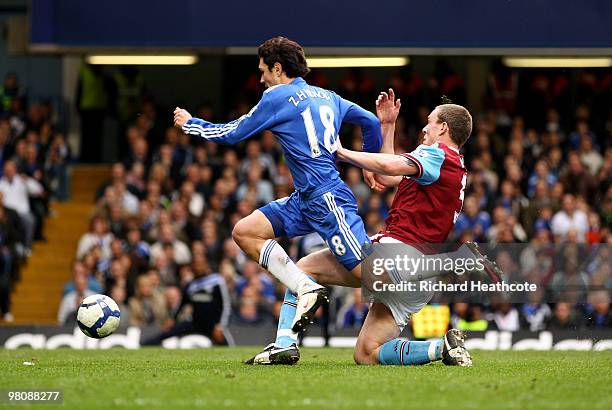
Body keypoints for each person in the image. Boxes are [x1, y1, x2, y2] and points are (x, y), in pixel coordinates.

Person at [249, 91, 495, 366]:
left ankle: (284, 343)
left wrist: (342, 152)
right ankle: (443, 348)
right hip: (418, 276)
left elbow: (388, 166)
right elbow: (389, 175)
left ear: (443, 128)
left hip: (398, 255)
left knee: (304, 271)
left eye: (430, 122)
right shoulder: (452, 166)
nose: (425, 128)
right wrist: (388, 127)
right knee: (367, 353)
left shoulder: (438, 153)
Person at [173, 36, 382, 350]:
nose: (260, 79)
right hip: (305, 199)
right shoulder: (329, 96)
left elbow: (232, 133)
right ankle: (301, 299)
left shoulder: (278, 96)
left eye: (263, 71)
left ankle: (429, 294)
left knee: (373, 277)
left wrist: (191, 124)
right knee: (245, 232)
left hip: (327, 200)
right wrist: (370, 161)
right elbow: (370, 121)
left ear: (278, 68)